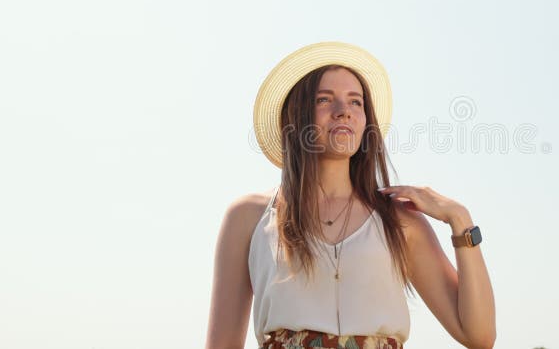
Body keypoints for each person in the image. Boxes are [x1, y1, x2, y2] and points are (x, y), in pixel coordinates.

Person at [205, 42, 496, 349]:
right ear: (295, 116)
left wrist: (460, 219)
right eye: (323, 99)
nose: (343, 111)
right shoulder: (247, 217)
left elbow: (478, 336)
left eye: (356, 102)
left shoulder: (399, 221)